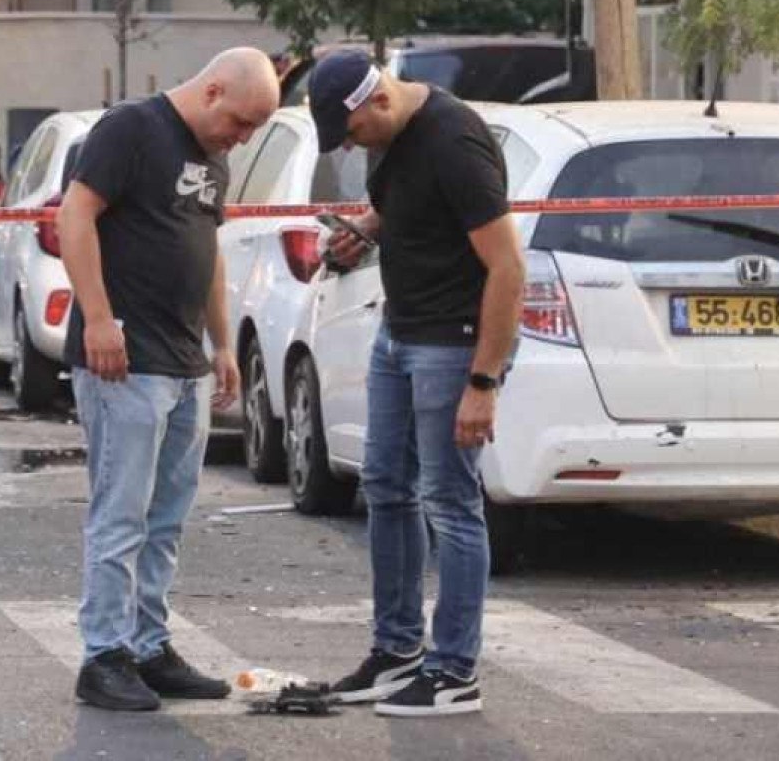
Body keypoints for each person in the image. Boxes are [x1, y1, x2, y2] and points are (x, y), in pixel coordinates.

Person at [56, 48, 280, 711]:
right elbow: (75, 216)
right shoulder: (129, 131)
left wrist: (222, 344)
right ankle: (103, 657)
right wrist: (99, 320)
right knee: (120, 515)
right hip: (125, 362)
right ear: (212, 91)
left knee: (167, 520)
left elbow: (206, 251)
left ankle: (149, 647)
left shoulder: (214, 156)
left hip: (184, 364)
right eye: (239, 123)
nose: (240, 139)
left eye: (250, 131)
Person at [305, 51, 525, 718]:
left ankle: (455, 670)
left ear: (373, 101)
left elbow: (508, 268)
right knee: (385, 487)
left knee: (451, 503)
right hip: (397, 333)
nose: (351, 147)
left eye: (349, 133)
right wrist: (363, 234)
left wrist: (482, 381)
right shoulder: (389, 138)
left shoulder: (454, 141)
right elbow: (406, 209)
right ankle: (397, 652)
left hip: (451, 345)